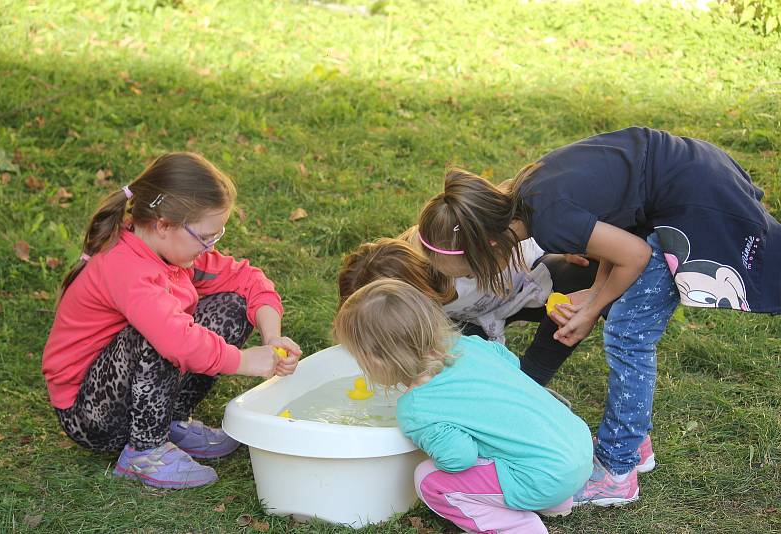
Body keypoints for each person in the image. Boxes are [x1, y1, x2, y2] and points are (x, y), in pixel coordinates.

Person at [416, 126, 781, 506]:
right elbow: (618, 228)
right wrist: (595, 294)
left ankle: (617, 470)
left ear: (489, 245)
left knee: (628, 336)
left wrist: (591, 310)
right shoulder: (529, 196)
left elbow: (635, 255)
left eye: (469, 270)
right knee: (625, 322)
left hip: (694, 200)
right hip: (688, 175)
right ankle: (633, 443)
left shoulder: (549, 221)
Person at [42, 152, 302, 489]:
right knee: (159, 335)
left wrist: (272, 339)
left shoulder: (174, 252)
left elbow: (248, 280)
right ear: (164, 225)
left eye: (216, 236)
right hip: (92, 415)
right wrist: (243, 361)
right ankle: (145, 450)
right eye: (206, 236)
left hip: (127, 392)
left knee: (233, 305)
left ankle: (170, 421)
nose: (209, 245)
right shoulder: (126, 268)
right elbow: (176, 340)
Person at [333, 278, 593, 534]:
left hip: (543, 478)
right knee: (510, 432)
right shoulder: (471, 345)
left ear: (376, 361)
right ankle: (555, 503)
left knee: (428, 480)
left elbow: (460, 457)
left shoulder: (416, 407)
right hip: (577, 448)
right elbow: (510, 363)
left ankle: (516, 527)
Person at [338, 229, 597, 386]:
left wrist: (562, 246)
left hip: (527, 284)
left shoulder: (453, 254)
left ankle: (532, 376)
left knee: (578, 276)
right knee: (457, 365)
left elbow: (515, 222)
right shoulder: (418, 306)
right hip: (477, 317)